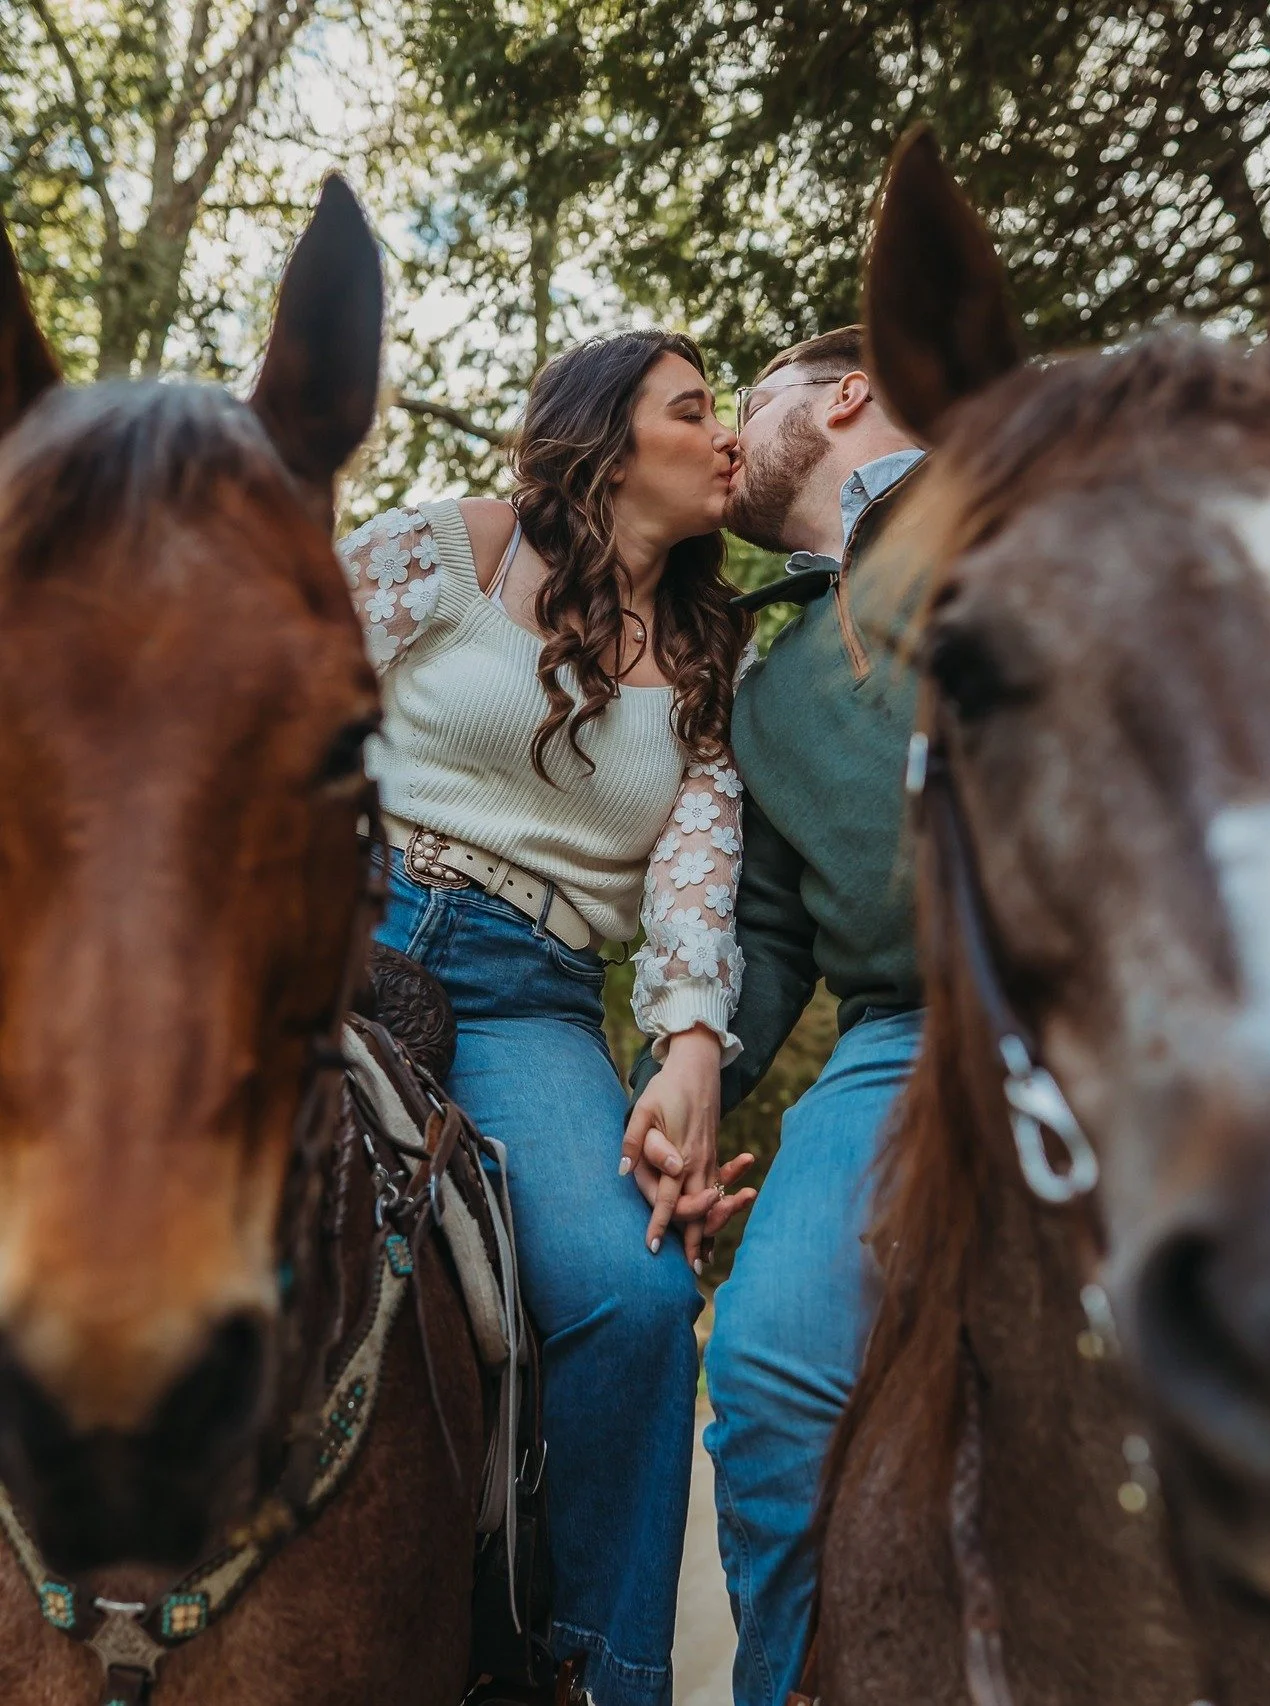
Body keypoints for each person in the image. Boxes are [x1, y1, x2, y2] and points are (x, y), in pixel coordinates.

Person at [338, 330, 757, 1706]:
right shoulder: (462, 545)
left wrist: (687, 1046)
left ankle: (590, 1674)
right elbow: (282, 662)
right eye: (695, 409)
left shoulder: (712, 652)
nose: (727, 433)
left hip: (531, 992)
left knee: (639, 1300)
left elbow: (695, 885)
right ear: (608, 436)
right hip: (349, 917)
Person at [627, 325, 928, 1706]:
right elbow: (758, 938)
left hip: (1144, 1002)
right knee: (761, 1372)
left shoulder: (1037, 498)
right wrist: (680, 1087)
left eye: (752, 399)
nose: (731, 433)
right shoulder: (767, 677)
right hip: (902, 1035)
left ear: (848, 392)